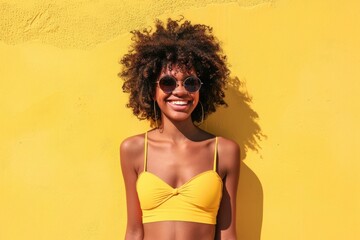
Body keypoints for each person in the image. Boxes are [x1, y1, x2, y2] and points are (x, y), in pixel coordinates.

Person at [119, 17, 240, 240]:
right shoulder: (133, 150)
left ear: (202, 89)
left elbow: (227, 234)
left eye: (190, 82)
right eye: (168, 82)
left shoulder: (223, 152)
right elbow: (134, 231)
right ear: (151, 89)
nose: (181, 91)